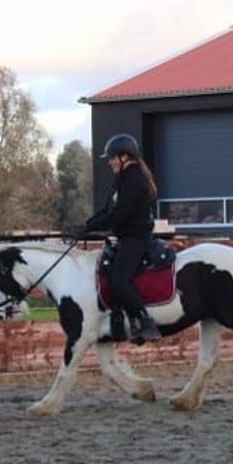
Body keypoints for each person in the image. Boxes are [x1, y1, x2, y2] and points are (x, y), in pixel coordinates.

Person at [81, 133, 162, 344]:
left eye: (111, 158)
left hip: (136, 238)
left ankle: (145, 322)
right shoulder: (122, 178)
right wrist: (86, 226)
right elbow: (108, 210)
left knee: (119, 282)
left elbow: (119, 214)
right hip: (125, 237)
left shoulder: (135, 179)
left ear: (125, 157)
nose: (109, 162)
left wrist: (92, 228)